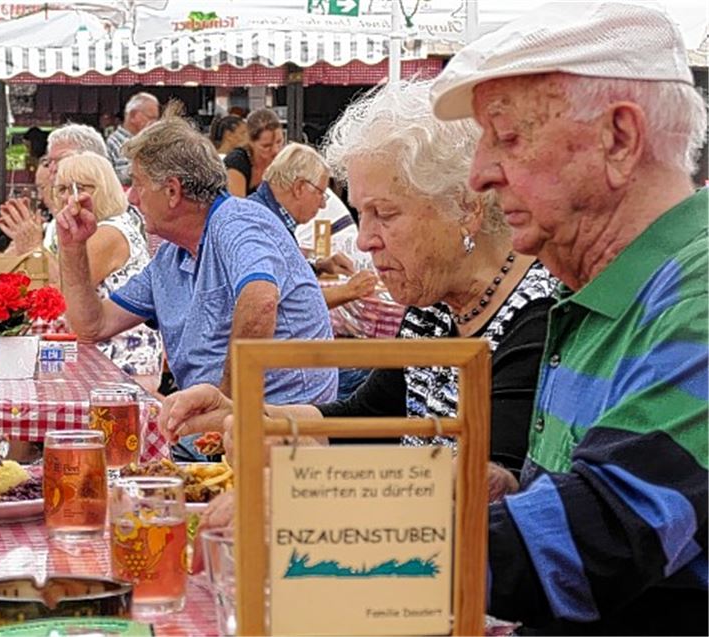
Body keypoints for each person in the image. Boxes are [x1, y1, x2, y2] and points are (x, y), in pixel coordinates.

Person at [430, 2, 707, 633]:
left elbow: (600, 537)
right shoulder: (601, 287)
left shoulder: (700, 291)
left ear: (619, 139)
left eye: (508, 136)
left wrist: (320, 534)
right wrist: (517, 494)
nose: (478, 174)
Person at [162, 77, 556, 485]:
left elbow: (491, 491)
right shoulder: (437, 307)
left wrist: (305, 467)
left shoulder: (538, 317)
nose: (365, 241)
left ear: (466, 208)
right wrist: (248, 416)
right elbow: (370, 415)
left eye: (383, 214)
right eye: (360, 213)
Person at [57, 117, 337, 406]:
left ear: (172, 191)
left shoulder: (236, 220)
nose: (132, 198)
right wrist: (73, 248)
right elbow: (91, 326)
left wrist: (226, 407)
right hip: (220, 428)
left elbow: (260, 300)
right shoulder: (171, 255)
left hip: (280, 430)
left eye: (138, 184)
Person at [40, 152, 162, 378]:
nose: (70, 197)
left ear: (105, 188)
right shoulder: (99, 228)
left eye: (81, 187)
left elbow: (62, 293)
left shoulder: (109, 233)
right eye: (62, 189)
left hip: (122, 361)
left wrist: (33, 249)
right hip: (101, 352)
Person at [248, 143, 379, 308]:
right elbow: (289, 302)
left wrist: (320, 266)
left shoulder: (267, 215)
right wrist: (350, 290)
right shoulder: (262, 226)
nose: (323, 205)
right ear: (299, 188)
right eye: (320, 193)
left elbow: (284, 277)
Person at [0, 123, 108, 256]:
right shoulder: (58, 222)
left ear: (92, 165)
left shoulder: (107, 226)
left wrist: (32, 247)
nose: (52, 169)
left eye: (61, 160)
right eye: (49, 162)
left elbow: (73, 276)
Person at [225, 108, 284, 196]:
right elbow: (237, 207)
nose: (276, 150)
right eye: (266, 146)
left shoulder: (285, 160)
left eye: (279, 142)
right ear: (250, 142)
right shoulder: (237, 163)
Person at [105, 92, 159, 185]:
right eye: (151, 118)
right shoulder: (115, 142)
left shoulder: (150, 140)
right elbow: (117, 177)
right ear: (133, 116)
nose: (155, 124)